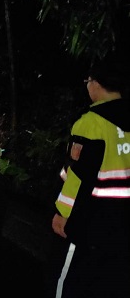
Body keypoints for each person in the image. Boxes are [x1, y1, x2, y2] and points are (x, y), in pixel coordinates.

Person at [50, 58, 130, 298]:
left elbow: (77, 176)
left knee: (67, 281)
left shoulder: (91, 123)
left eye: (88, 81)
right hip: (123, 224)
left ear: (97, 84)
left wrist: (63, 214)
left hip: (91, 221)